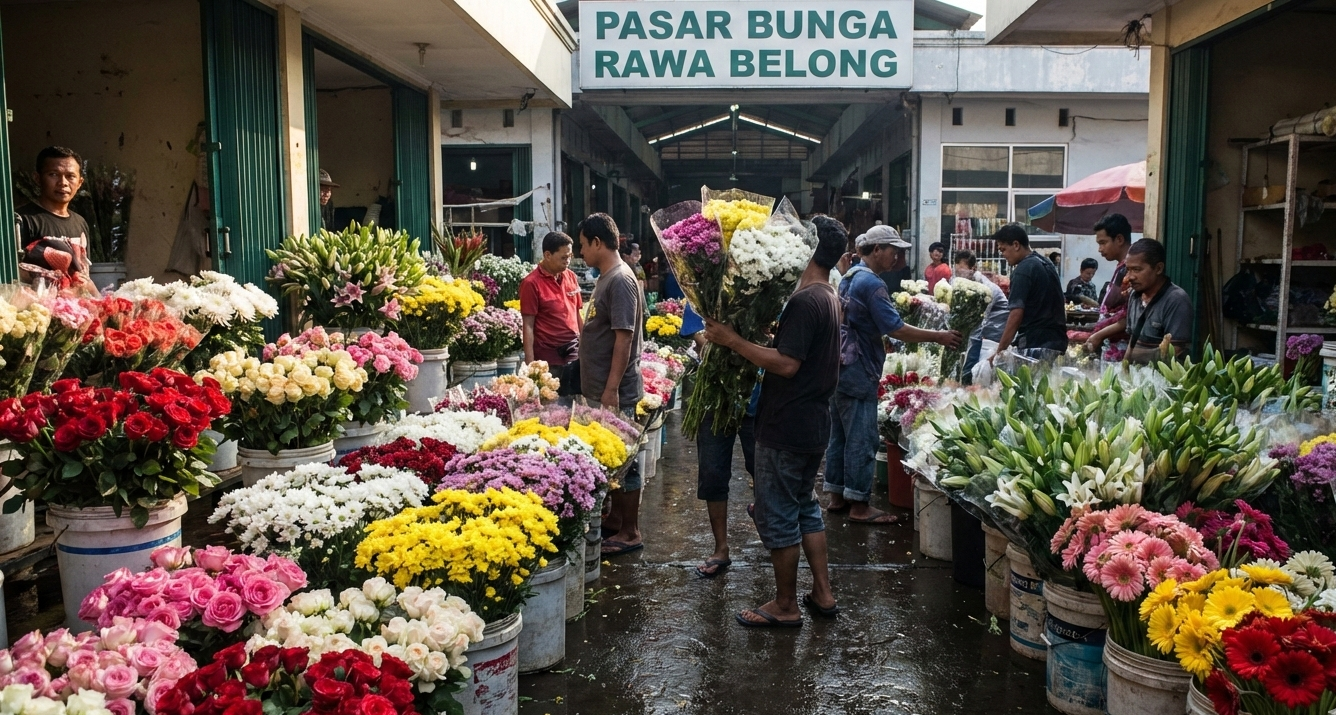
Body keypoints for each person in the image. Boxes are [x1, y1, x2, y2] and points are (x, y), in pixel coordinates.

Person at [701, 214, 846, 628]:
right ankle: (822, 592)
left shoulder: (805, 301)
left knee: (779, 512)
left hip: (787, 422)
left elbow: (786, 364)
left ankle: (785, 606)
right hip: (813, 422)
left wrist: (733, 341)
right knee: (805, 507)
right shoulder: (828, 294)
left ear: (809, 247)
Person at [825, 224, 961, 524]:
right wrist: (938, 337)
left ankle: (836, 496)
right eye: (893, 251)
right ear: (876, 250)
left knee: (840, 435)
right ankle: (859, 505)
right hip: (859, 367)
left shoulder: (849, 275)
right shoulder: (871, 284)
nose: (896, 258)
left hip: (840, 366)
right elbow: (896, 327)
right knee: (862, 438)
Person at [578, 213, 646, 556]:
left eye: (582, 245)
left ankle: (631, 530)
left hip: (614, 388)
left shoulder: (620, 279)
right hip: (601, 385)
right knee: (615, 457)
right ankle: (618, 519)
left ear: (597, 243)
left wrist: (611, 388)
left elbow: (624, 337)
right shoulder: (608, 277)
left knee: (626, 460)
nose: (581, 253)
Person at [680, 301, 758, 578]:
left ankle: (773, 533)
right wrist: (714, 349)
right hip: (714, 394)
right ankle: (720, 548)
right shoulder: (702, 291)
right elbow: (694, 330)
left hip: (756, 394)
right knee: (713, 472)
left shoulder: (762, 284)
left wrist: (738, 348)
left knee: (763, 469)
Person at [1103, 238, 1193, 363]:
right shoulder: (1134, 297)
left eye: (1137, 270)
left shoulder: (1176, 300)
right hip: (1138, 378)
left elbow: (1175, 351)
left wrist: (1135, 355)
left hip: (1165, 380)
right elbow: (1133, 340)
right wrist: (1125, 368)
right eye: (1128, 270)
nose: (1130, 277)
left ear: (1158, 268)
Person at [17, 146, 91, 284]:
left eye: (70, 176)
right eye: (53, 174)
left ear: (80, 182)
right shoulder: (21, 220)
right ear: (37, 179)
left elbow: (84, 273)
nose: (63, 183)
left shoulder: (80, 222)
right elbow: (11, 274)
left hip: (73, 305)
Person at [993, 224, 1069, 356]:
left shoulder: (1023, 269)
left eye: (1003, 249)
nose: (1003, 255)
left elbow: (1016, 313)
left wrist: (1000, 350)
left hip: (1036, 342)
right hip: (1058, 340)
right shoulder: (1046, 263)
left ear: (1016, 245)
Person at [519, 231, 582, 367]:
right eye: (563, 257)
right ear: (547, 255)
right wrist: (530, 364)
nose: (568, 261)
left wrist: (586, 347)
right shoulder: (531, 283)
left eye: (570, 256)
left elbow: (577, 313)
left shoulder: (570, 276)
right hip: (547, 352)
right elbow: (528, 325)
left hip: (573, 347)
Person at [1081, 214, 1134, 359]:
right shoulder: (1121, 268)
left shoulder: (1130, 271)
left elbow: (1129, 316)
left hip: (1124, 350)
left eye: (1103, 243)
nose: (1099, 249)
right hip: (1113, 347)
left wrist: (1099, 335)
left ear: (1119, 239)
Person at [953, 250, 1010, 379]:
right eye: (956, 269)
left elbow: (979, 320)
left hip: (994, 337)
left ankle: (966, 379)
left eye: (962, 269)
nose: (958, 273)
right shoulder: (960, 282)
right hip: (981, 334)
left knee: (977, 374)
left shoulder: (986, 289)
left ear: (973, 268)